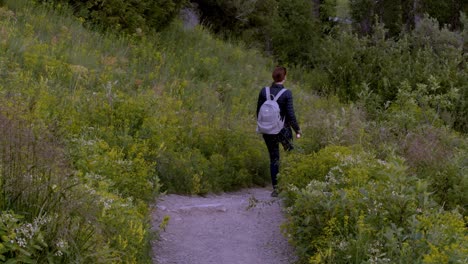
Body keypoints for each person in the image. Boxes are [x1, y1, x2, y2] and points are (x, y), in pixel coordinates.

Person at [256, 66, 301, 197]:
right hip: (283, 130)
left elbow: (258, 111)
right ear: (284, 77)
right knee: (291, 155)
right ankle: (290, 185)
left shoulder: (264, 91)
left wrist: (264, 126)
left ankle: (276, 189)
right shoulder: (287, 93)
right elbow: (291, 115)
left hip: (267, 130)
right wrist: (297, 130)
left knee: (274, 159)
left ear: (273, 77)